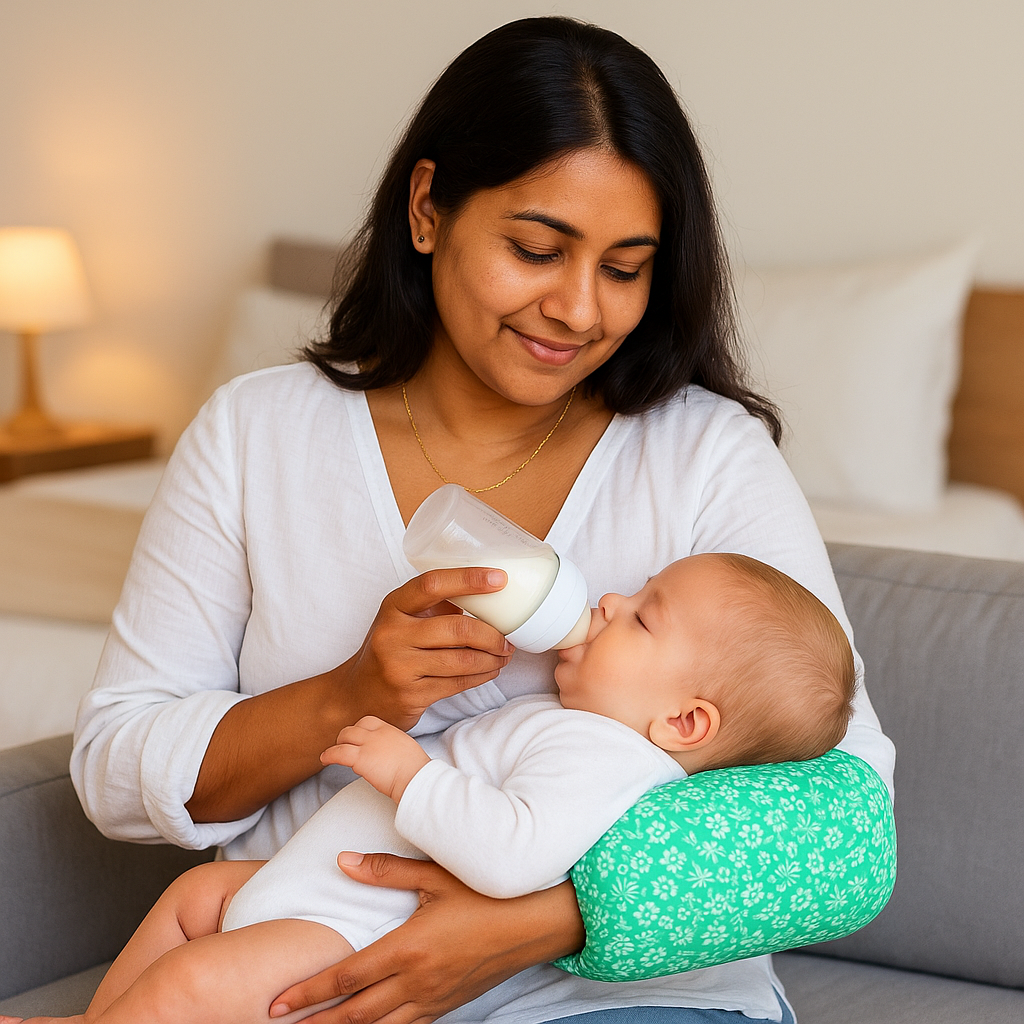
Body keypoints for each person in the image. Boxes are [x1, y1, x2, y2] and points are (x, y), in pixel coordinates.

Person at [67, 15, 894, 1024]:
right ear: (427, 209)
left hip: (620, 993)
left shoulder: (700, 452)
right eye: (537, 249)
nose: (580, 309)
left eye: (625, 268)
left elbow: (845, 810)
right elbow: (115, 768)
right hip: (310, 954)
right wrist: (347, 696)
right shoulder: (258, 435)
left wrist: (533, 921)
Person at [12, 554, 854, 1024]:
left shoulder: (607, 758)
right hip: (321, 885)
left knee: (195, 985)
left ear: (685, 725)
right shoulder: (582, 729)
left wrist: (411, 775)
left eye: (642, 616)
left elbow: (513, 853)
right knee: (198, 895)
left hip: (348, 931)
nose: (608, 597)